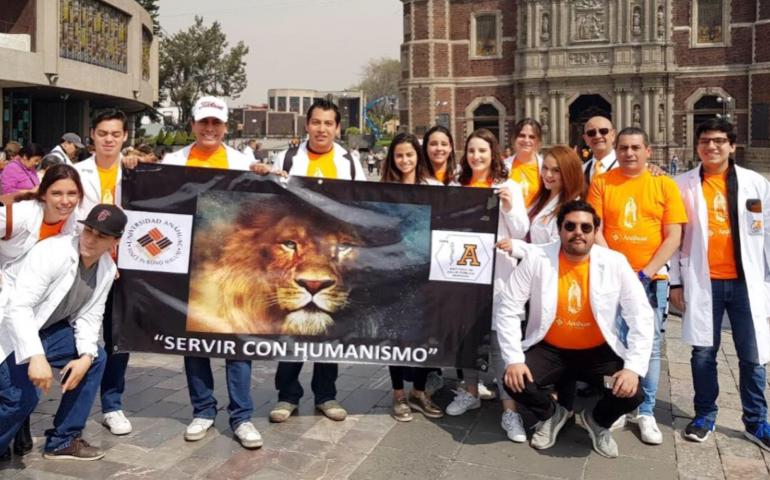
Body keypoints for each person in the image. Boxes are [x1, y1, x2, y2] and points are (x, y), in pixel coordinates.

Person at [497, 200, 653, 458]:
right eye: (570, 226)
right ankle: (552, 414)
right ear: (560, 230)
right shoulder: (537, 258)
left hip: (596, 355)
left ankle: (597, 421)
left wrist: (633, 368)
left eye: (586, 227)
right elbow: (509, 307)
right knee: (513, 381)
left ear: (595, 232)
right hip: (550, 350)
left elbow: (640, 315)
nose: (578, 232)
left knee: (632, 393)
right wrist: (514, 359)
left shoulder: (614, 262)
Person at [254, 99, 365, 425]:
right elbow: (272, 199)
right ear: (307, 125)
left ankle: (325, 395)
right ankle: (287, 396)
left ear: (337, 128)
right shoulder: (287, 157)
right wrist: (262, 175)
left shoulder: (350, 162)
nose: (322, 129)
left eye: (328, 124)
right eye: (316, 123)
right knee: (292, 327)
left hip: (332, 256)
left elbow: (361, 206)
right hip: (298, 252)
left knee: (327, 329)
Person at [159, 96, 261, 448]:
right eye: (204, 122)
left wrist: (266, 174)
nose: (209, 129)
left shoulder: (243, 162)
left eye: (216, 123)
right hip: (187, 262)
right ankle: (203, 410)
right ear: (192, 124)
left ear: (226, 127)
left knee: (238, 344)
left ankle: (242, 416)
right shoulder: (172, 161)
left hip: (232, 265)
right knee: (194, 343)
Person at [669, 119, 770, 449]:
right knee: (703, 354)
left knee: (752, 356)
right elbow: (674, 237)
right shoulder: (681, 184)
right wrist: (675, 283)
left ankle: (756, 422)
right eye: (704, 141)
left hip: (746, 282)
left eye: (718, 141)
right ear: (696, 146)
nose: (711, 147)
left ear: (731, 145)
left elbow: (766, 233)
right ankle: (704, 416)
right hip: (704, 280)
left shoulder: (755, 183)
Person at [0, 204, 127, 461]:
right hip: (10, 328)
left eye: (101, 236)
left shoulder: (106, 270)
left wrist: (85, 358)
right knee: (21, 398)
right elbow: (18, 308)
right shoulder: (53, 252)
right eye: (88, 230)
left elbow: (89, 316)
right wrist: (36, 357)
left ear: (115, 241)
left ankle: (63, 441)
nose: (91, 239)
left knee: (96, 357)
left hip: (46, 331)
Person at [586, 127, 687, 445]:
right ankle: (617, 406)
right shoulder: (602, 183)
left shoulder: (664, 184)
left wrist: (646, 272)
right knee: (616, 344)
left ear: (648, 150)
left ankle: (645, 411)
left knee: (651, 346)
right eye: (624, 148)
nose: (629, 153)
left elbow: (673, 235)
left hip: (651, 279)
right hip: (613, 277)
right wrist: (619, 269)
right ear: (617, 150)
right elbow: (596, 227)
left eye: (635, 147)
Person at [444, 129, 529, 422]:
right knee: (466, 336)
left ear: (493, 153)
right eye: (471, 151)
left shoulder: (509, 186)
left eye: (482, 151)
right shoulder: (457, 184)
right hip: (464, 271)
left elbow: (520, 230)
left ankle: (510, 408)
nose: (476, 156)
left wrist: (507, 206)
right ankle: (470, 392)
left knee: (500, 339)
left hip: (498, 273)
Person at [0, 164, 84, 460]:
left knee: (90, 354)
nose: (65, 200)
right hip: (6, 301)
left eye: (72, 193)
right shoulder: (21, 216)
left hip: (30, 306)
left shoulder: (71, 223)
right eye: (57, 193)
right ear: (43, 195)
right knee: (16, 385)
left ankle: (55, 436)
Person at [73, 109, 137, 440]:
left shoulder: (137, 172)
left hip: (123, 269)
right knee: (77, 337)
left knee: (116, 339)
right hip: (84, 266)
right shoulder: (75, 172)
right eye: (102, 133)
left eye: (115, 133)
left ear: (125, 137)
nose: (109, 139)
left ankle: (112, 405)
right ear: (92, 136)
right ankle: (72, 408)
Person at [379, 133, 444, 422]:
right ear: (392, 159)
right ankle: (398, 393)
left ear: (418, 156)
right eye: (399, 155)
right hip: (394, 272)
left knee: (423, 332)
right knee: (395, 334)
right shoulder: (384, 190)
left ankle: (419, 390)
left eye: (409, 155)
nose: (405, 160)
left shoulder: (434, 187)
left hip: (426, 272)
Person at [506, 118, 544, 209]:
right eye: (522, 135)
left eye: (532, 137)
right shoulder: (502, 166)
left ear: (538, 142)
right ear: (514, 139)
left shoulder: (545, 168)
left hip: (535, 220)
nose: (526, 140)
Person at [582, 116, 618, 184]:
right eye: (591, 133)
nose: (597, 136)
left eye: (603, 131)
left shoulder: (627, 167)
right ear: (585, 139)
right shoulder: (581, 171)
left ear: (613, 135)